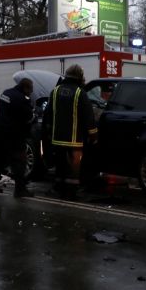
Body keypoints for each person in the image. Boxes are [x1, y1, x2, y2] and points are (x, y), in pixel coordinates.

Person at [43, 64, 97, 199]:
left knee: (60, 166)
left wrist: (48, 133)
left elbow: (48, 114)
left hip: (57, 138)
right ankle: (71, 192)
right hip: (74, 140)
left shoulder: (55, 91)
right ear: (79, 77)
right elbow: (88, 116)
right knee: (73, 168)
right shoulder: (80, 93)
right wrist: (93, 134)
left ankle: (59, 190)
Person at [0, 76, 35, 197]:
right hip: (13, 135)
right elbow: (28, 117)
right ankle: (20, 190)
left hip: (0, 131)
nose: (31, 93)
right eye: (30, 90)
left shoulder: (6, 93)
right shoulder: (21, 99)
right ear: (25, 88)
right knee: (19, 161)